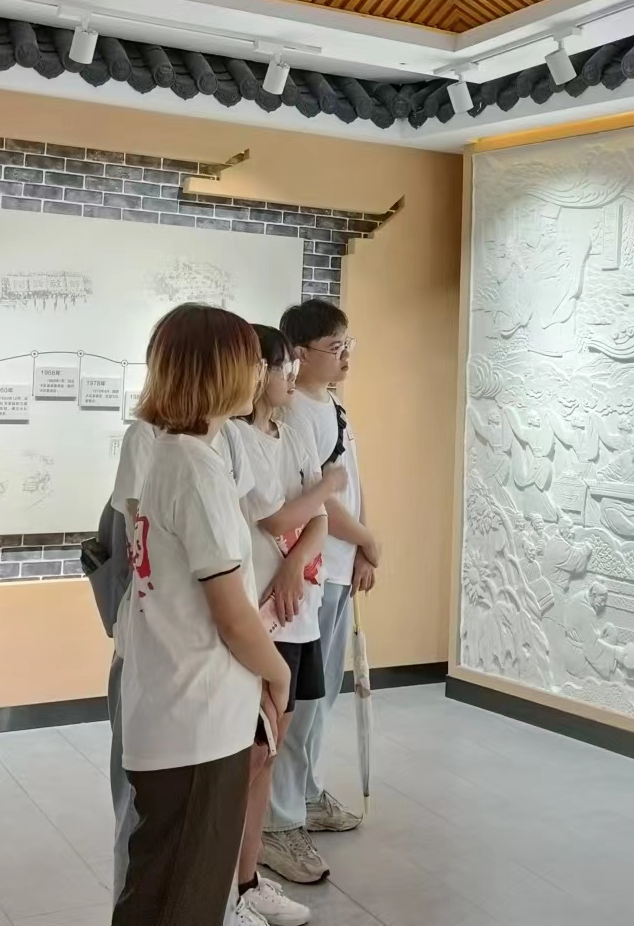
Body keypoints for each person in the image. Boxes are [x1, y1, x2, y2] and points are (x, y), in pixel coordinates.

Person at [114, 305, 291, 926]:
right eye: (251, 361)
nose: (260, 373)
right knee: (181, 898)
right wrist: (278, 674)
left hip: (177, 706)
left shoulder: (175, 454)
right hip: (197, 718)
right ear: (219, 371)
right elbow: (233, 615)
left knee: (162, 888)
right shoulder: (192, 466)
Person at [263, 300, 380, 885]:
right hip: (309, 573)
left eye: (347, 346)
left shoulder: (332, 405)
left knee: (323, 696)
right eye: (335, 348)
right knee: (302, 701)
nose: (345, 358)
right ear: (299, 353)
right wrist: (367, 540)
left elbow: (353, 486)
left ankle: (305, 794)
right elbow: (320, 499)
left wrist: (362, 546)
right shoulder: (294, 414)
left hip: (337, 566)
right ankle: (279, 818)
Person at [231, 325, 341, 926]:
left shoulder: (290, 432)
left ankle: (248, 880)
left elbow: (315, 520)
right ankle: (228, 885)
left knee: (271, 752)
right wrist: (327, 483)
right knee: (249, 754)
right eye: (281, 367)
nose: (289, 376)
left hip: (297, 614)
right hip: (257, 617)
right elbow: (275, 518)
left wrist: (297, 563)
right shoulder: (233, 439)